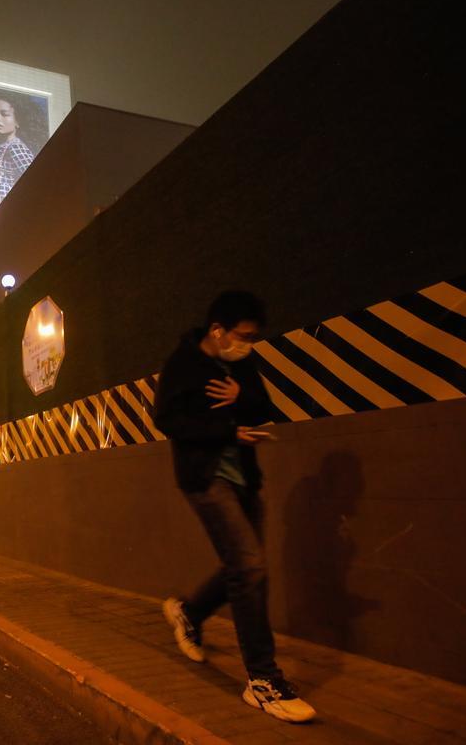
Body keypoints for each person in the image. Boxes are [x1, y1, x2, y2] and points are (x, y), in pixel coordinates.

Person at [153, 291, 316, 723]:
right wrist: (228, 430)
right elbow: (167, 421)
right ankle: (263, 681)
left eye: (252, 338)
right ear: (217, 330)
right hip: (206, 479)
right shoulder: (183, 364)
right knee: (250, 568)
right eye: (242, 336)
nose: (247, 344)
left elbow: (263, 408)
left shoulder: (241, 364)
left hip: (245, 479)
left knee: (244, 568)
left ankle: (190, 612)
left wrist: (241, 397)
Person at [0, 89, 45, 239]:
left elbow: (35, 190)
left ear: (19, 121)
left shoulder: (16, 148)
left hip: (3, 220)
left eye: (4, 114)